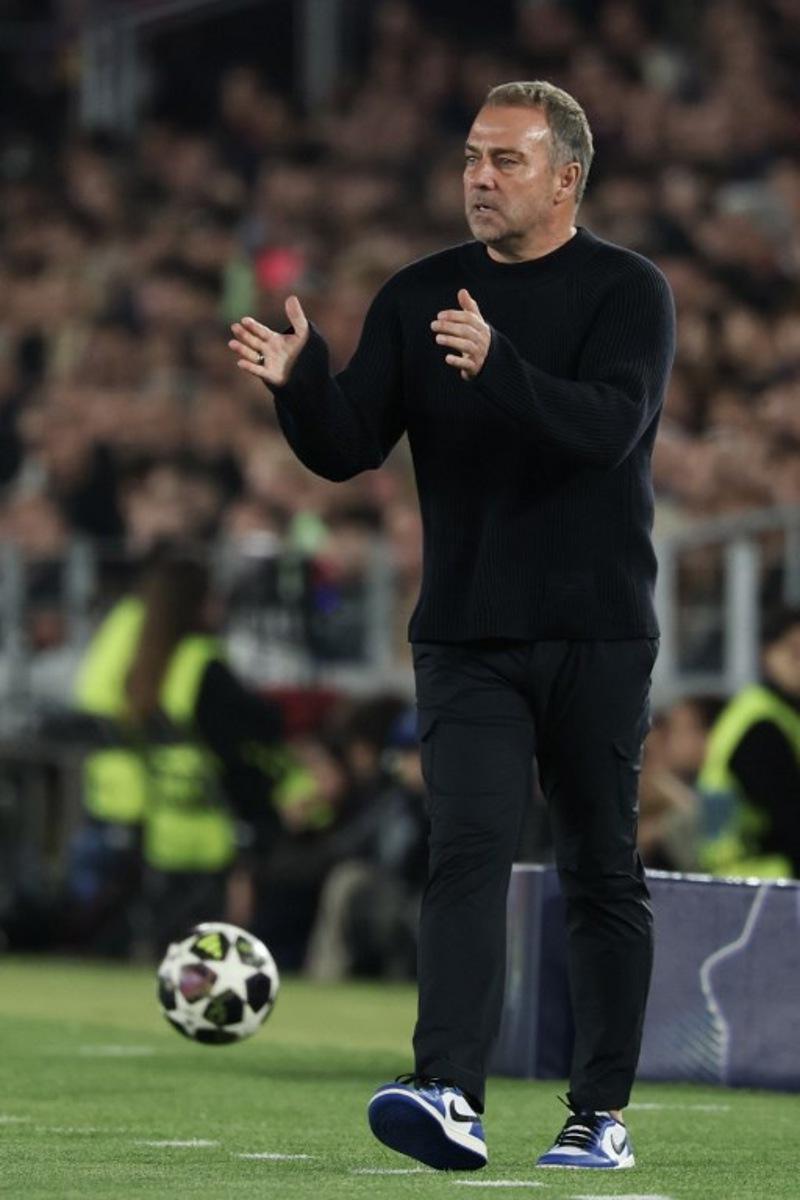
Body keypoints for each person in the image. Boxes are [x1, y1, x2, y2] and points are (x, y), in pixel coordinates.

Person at [228, 80, 675, 1172]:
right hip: (467, 631)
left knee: (599, 866)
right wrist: (301, 387)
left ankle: (598, 1113)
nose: (478, 177)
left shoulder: (628, 290)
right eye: (472, 156)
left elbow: (608, 429)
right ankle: (447, 1091)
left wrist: (500, 365)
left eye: (505, 160)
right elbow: (348, 448)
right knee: (464, 852)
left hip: (597, 631)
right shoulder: (419, 293)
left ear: (565, 179)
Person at [71, 550, 284, 953]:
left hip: (164, 832)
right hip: (216, 833)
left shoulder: (145, 669)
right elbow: (252, 744)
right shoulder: (201, 665)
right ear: (199, 604)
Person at [698, 605, 800, 879]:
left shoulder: (776, 714)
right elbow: (788, 818)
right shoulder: (761, 726)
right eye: (794, 652)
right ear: (767, 653)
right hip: (751, 877)